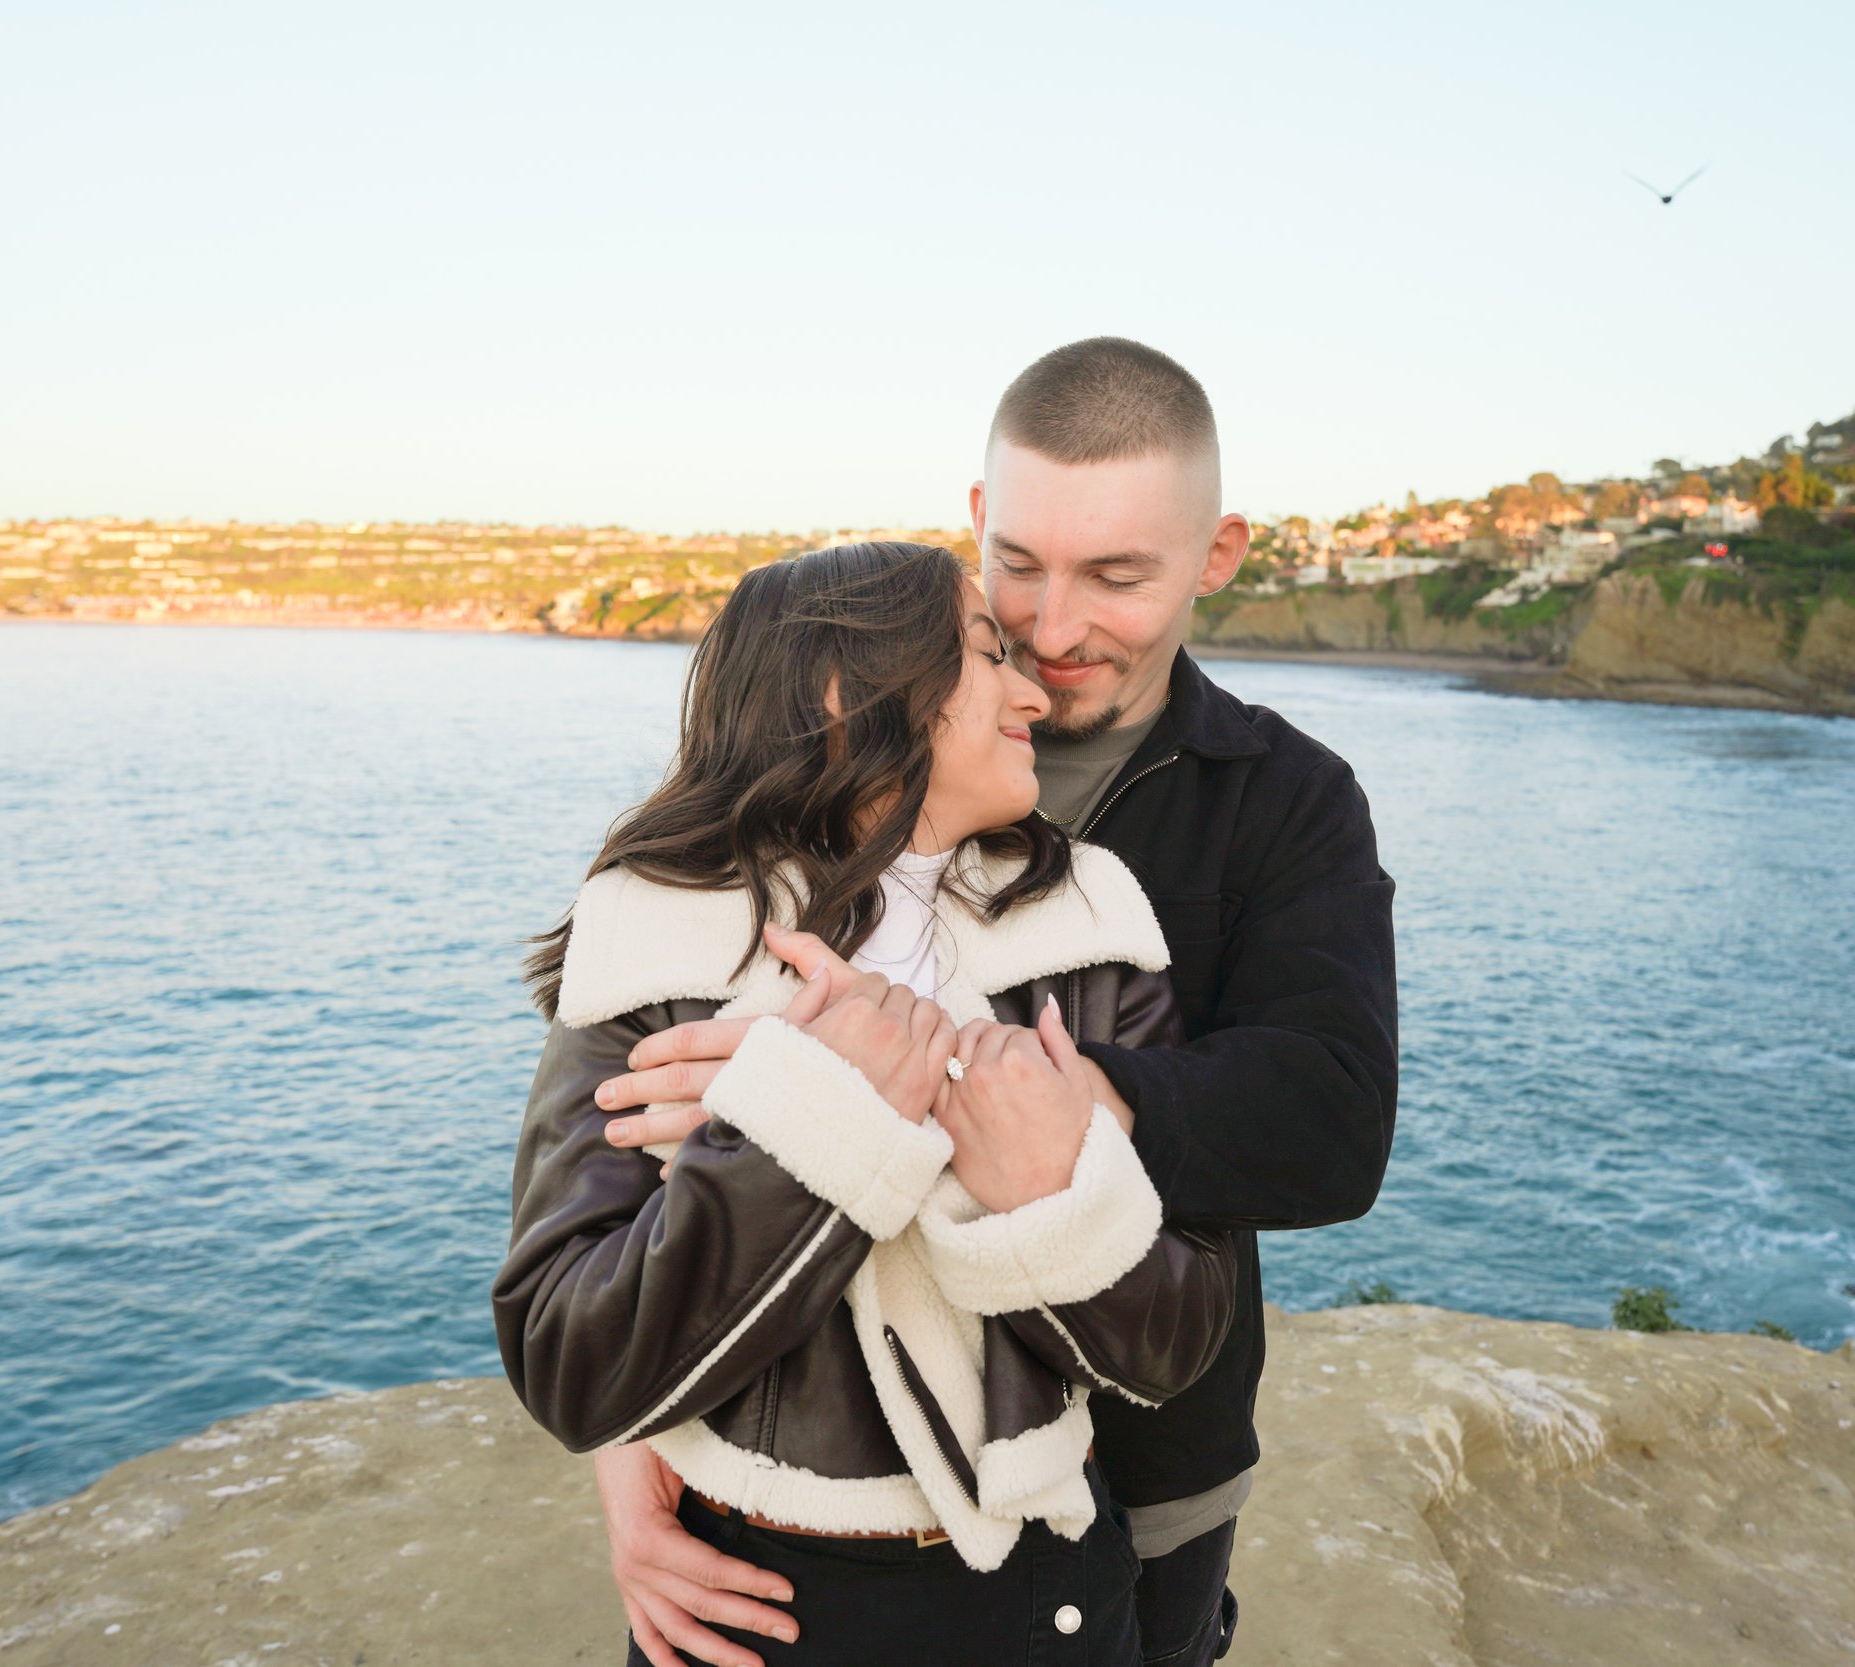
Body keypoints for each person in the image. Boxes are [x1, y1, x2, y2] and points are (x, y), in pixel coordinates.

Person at [588, 339, 1400, 1667]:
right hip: (818, 1484)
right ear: (975, 520)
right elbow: (627, 1118)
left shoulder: (1289, 799)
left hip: (1151, 1455)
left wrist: (1009, 1085)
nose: (1054, 626)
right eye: (1018, 564)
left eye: (1119, 576)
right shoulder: (834, 743)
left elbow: (1332, 1122)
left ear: (1220, 552)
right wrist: (629, 1434)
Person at [494, 541, 1241, 1666]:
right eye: (990, 652)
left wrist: (1035, 1181)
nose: (1034, 689)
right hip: (762, 1603)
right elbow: (571, 1358)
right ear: (851, 695)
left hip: (1048, 1587)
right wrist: (815, 1117)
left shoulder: (1093, 922)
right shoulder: (654, 929)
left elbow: (1174, 1344)